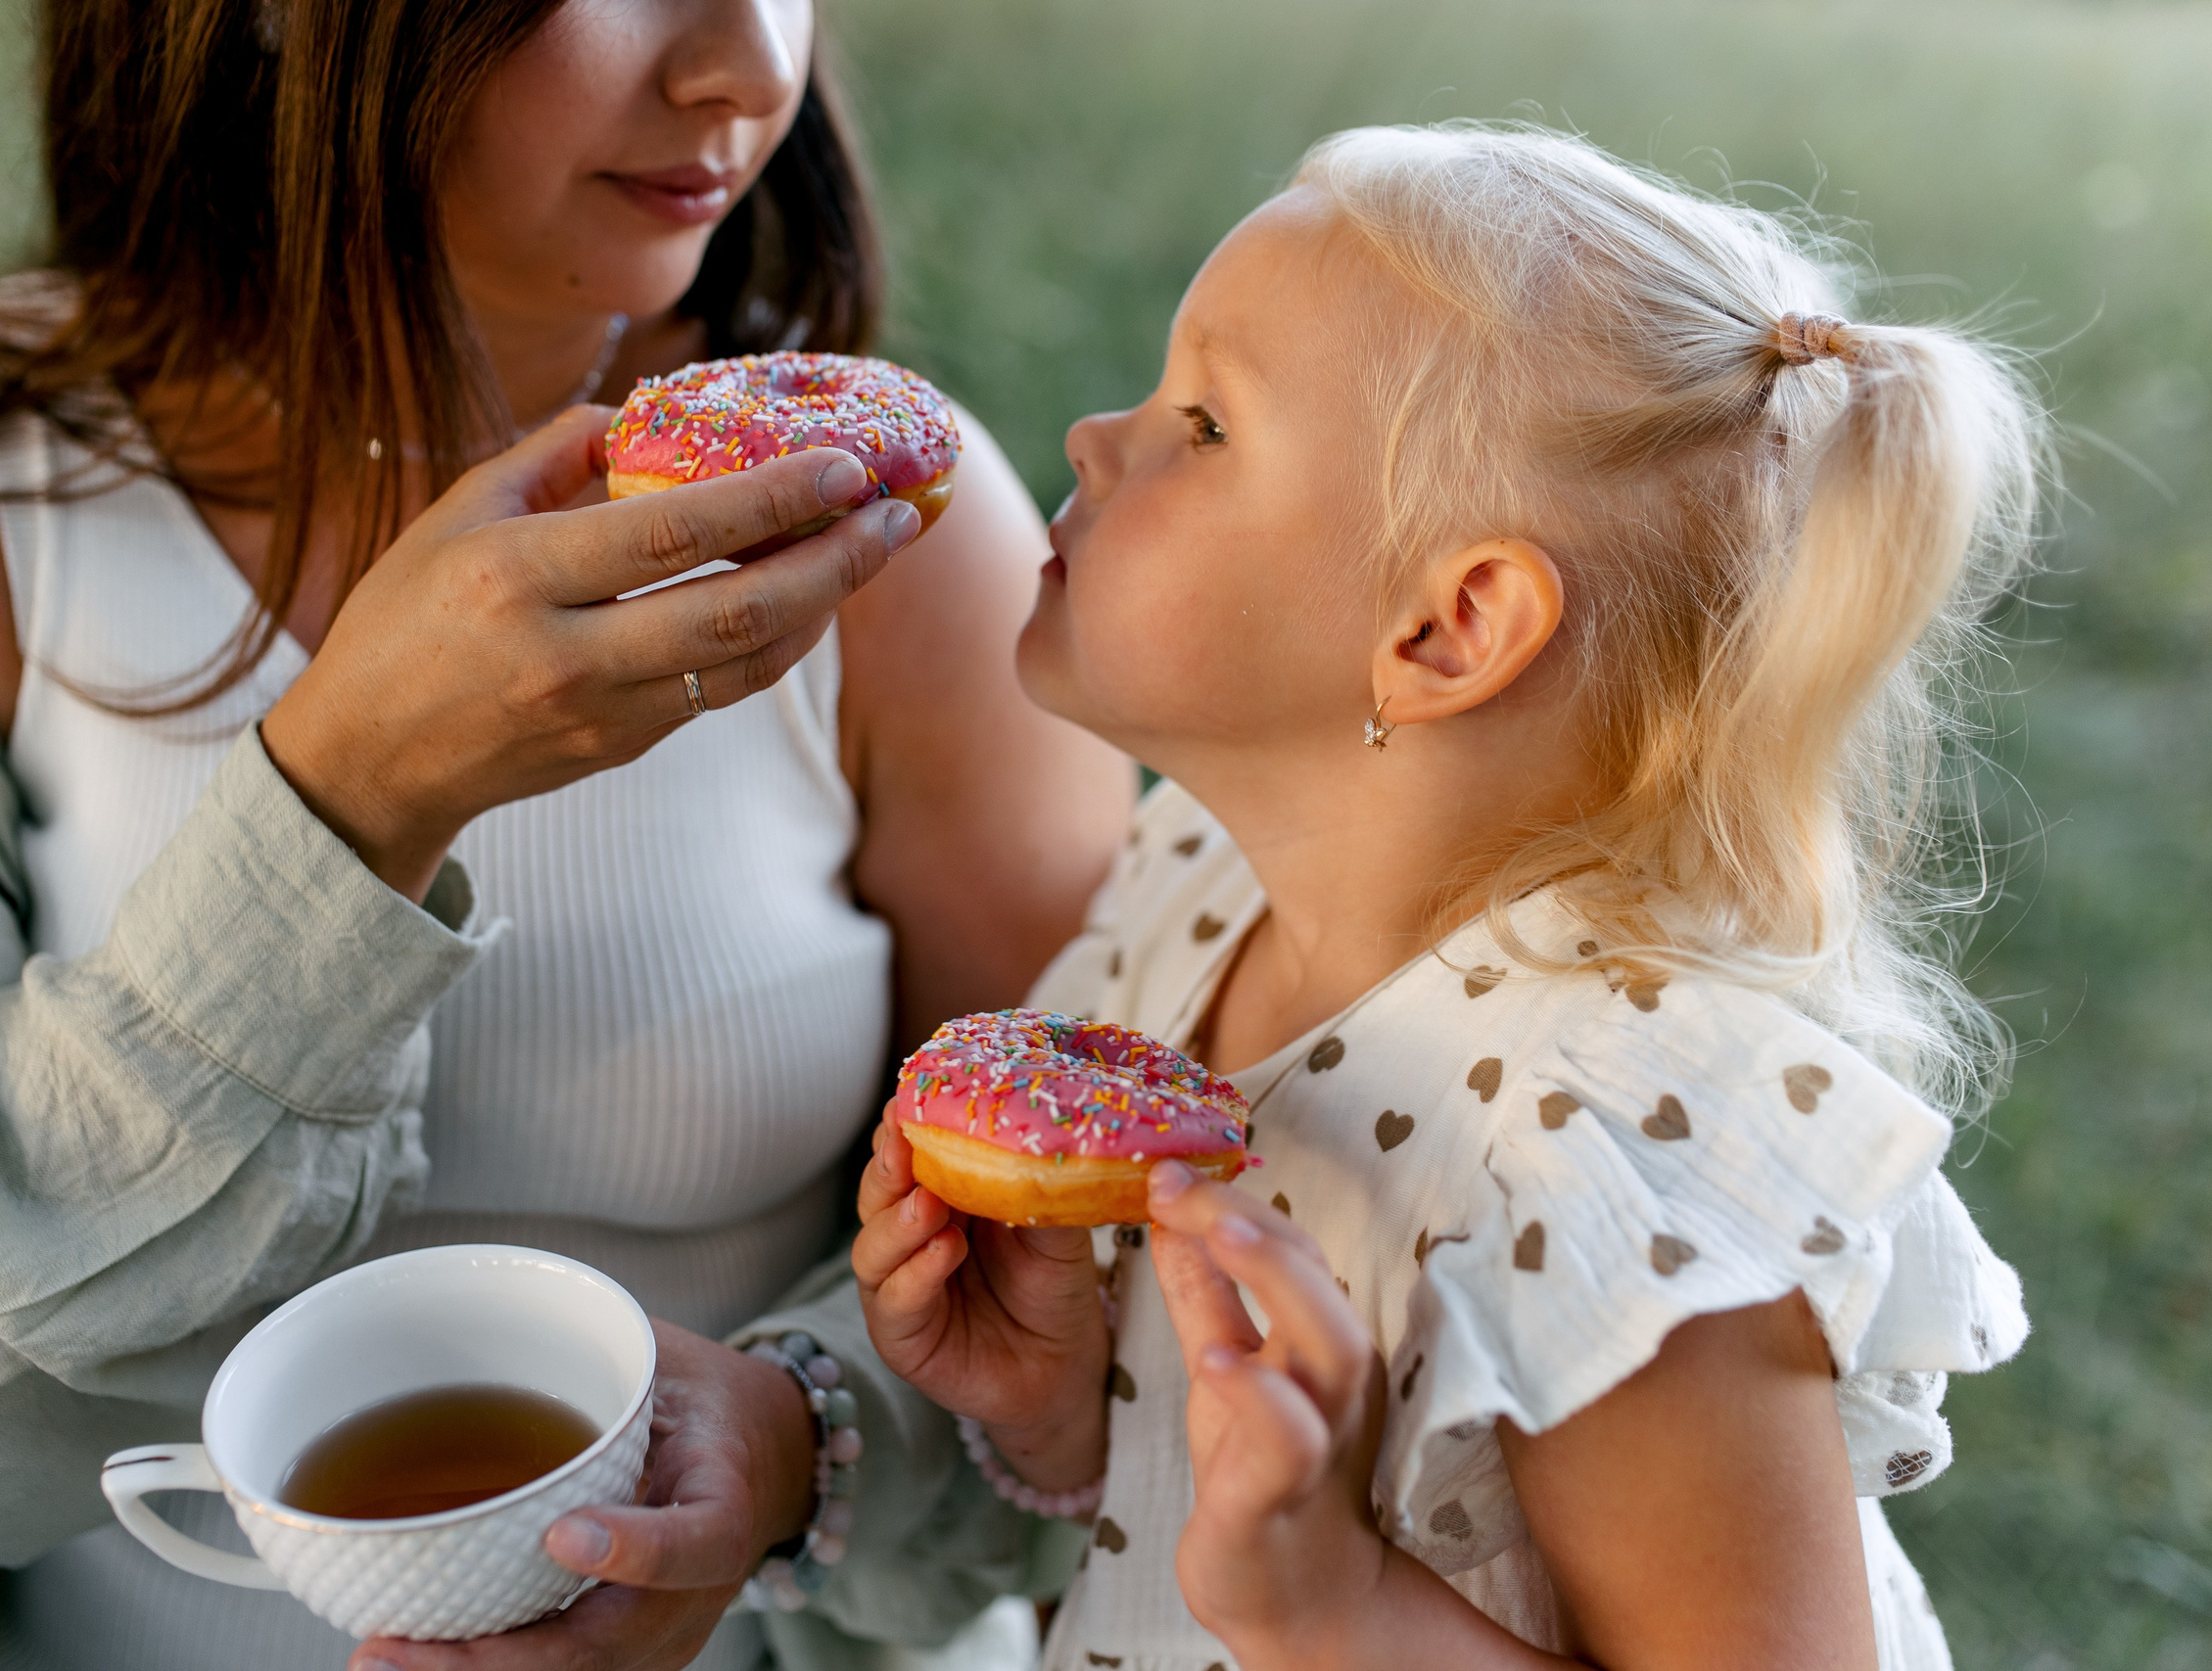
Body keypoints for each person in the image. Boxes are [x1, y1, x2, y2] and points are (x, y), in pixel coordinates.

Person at [0, 3, 1129, 1669]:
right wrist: (351, 801)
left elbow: (1089, 1314)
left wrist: (799, 1439)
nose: (750, 70)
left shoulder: (884, 529)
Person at [852, 123, 2037, 1668]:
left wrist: (1333, 1610)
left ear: (1450, 627)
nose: (1092, 434)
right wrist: (1055, 1403)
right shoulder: (1195, 897)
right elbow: (1165, 1515)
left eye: (1202, 422)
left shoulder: (1593, 1164)